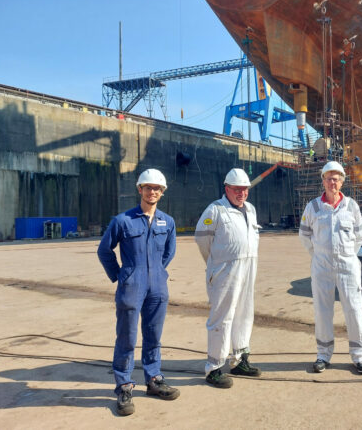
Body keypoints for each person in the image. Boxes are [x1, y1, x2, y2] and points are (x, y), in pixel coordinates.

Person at [97, 168, 179, 416]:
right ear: (140, 189)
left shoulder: (168, 221)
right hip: (132, 285)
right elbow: (104, 251)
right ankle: (123, 385)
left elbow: (169, 252)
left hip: (157, 287)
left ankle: (154, 379)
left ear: (162, 192)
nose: (152, 192)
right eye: (148, 187)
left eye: (157, 188)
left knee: (154, 335)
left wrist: (157, 272)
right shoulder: (122, 220)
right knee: (127, 337)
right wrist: (121, 274)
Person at [298, 161, 362, 375]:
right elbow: (304, 235)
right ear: (323, 180)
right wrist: (319, 254)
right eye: (329, 178)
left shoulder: (351, 206)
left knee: (354, 310)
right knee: (322, 311)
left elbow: (360, 236)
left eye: (337, 178)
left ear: (342, 182)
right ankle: (323, 355)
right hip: (321, 266)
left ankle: (359, 356)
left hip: (347, 265)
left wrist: (345, 255)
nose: (333, 182)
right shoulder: (313, 207)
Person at [195, 168, 261, 388]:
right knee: (221, 318)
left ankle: (239, 360)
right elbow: (202, 239)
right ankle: (214, 368)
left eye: (244, 189)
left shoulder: (250, 209)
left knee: (244, 313)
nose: (241, 193)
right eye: (236, 189)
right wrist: (215, 263)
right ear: (227, 188)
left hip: (248, 267)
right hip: (225, 271)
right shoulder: (215, 210)